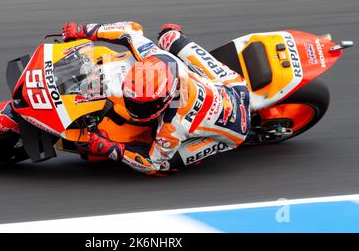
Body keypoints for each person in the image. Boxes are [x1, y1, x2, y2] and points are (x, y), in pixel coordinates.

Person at [62, 21, 251, 175]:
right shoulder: (157, 57)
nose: (132, 107)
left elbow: (151, 163)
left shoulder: (171, 128)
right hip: (230, 85)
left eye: (140, 106)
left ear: (163, 102)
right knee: (169, 36)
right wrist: (85, 30)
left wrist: (111, 148)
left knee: (164, 166)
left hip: (236, 127)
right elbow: (130, 30)